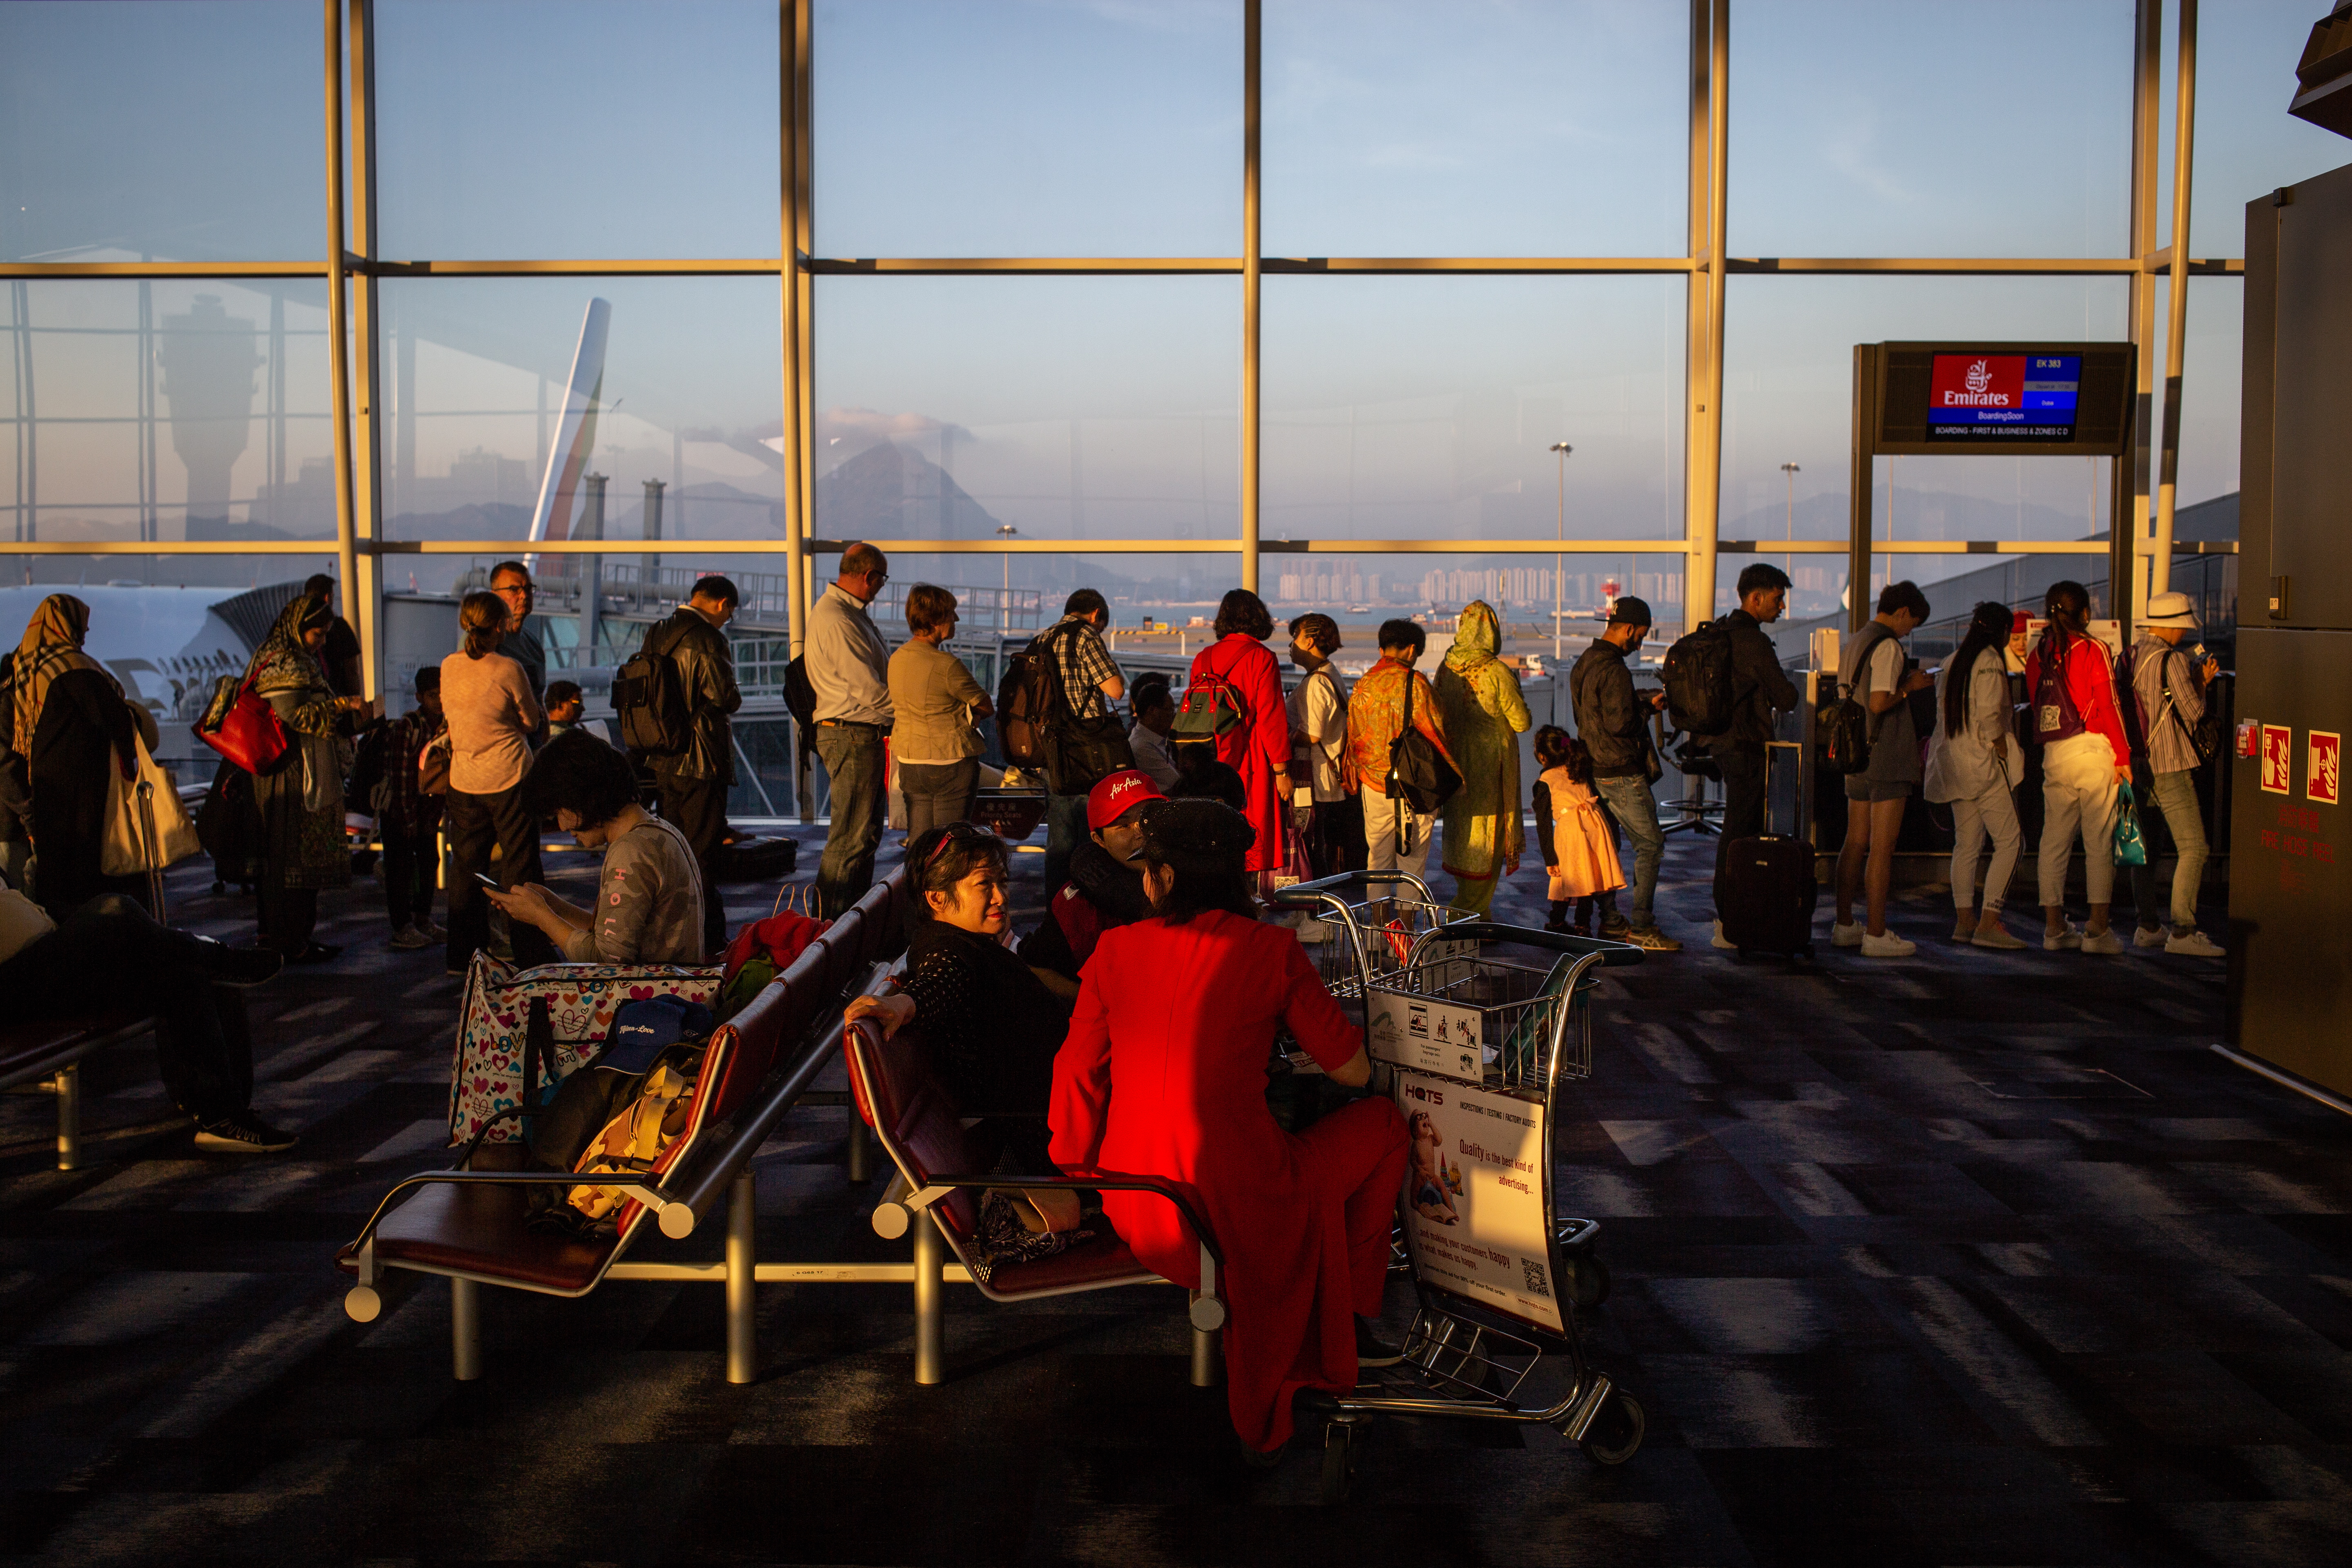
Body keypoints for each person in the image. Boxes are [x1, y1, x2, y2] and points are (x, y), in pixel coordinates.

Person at [1048, 799, 1410, 1458]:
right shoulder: (1269, 951)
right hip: (1237, 1206)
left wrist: (1075, 1176)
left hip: (1137, 1204)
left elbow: (1076, 1074)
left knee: (1302, 1167)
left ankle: (1333, 1293)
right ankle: (1353, 1312)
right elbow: (1355, 1072)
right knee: (1382, 1127)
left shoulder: (1113, 950)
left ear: (1157, 879)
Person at [846, 822, 1074, 1187]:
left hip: (1052, 1117)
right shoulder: (949, 953)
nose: (1000, 897)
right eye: (985, 885)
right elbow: (941, 982)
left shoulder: (965, 942)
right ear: (937, 898)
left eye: (1003, 882)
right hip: (1044, 1138)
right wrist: (905, 1003)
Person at [0, 882, 296, 1151]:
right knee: (114, 908)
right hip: (17, 986)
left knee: (180, 974)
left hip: (49, 960)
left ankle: (221, 1117)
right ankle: (218, 957)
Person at [486, 730, 706, 966]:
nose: (562, 826)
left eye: (561, 811)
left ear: (582, 797)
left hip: (649, 998)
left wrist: (542, 917)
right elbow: (611, 937)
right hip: (672, 991)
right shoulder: (659, 832)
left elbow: (606, 961)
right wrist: (554, 907)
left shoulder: (631, 852)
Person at [10, 595, 157, 919]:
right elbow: (115, 720)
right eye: (82, 626)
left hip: (45, 795)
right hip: (83, 797)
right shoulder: (76, 669)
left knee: (56, 888)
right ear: (67, 626)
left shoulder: (24, 667)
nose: (86, 633)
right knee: (93, 889)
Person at [247, 592, 367, 960]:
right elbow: (294, 715)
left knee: (287, 860)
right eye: (319, 634)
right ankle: (290, 941)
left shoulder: (284, 655)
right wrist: (343, 706)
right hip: (294, 774)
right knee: (291, 858)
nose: (323, 642)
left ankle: (288, 938)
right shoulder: (286, 661)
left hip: (292, 769)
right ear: (299, 628)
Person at [441, 589, 555, 973]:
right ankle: (528, 954)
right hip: (509, 777)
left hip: (464, 780)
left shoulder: (448, 666)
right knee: (520, 867)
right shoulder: (508, 669)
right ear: (499, 627)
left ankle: (462, 957)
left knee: (466, 867)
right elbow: (530, 721)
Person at [2024, 580, 2131, 954]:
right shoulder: (2093, 648)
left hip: (2055, 754)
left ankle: (2055, 929)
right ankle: (2097, 930)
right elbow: (2110, 704)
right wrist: (2124, 756)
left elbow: (2037, 704)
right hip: (2094, 750)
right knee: (2099, 842)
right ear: (2084, 613)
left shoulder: (2039, 652)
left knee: (2054, 842)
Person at [1568, 594, 1679, 950]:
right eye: (1641, 635)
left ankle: (1612, 920)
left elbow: (1597, 715)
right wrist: (1644, 709)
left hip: (1595, 768)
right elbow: (1620, 724)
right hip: (1622, 771)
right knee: (1650, 845)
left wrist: (1641, 700)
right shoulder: (1615, 668)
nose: (1640, 643)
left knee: (1608, 846)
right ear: (1629, 629)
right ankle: (1644, 926)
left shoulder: (1585, 661)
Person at [1831, 580, 1935, 958]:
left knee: (1854, 841)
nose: (1910, 631)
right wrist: (1911, 686)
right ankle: (1876, 932)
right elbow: (1879, 702)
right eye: (1913, 623)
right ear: (1903, 611)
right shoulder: (1889, 645)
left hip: (1856, 754)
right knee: (1882, 848)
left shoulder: (1857, 639)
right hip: (1886, 754)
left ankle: (1845, 924)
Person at [642, 575, 742, 955]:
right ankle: (707, 938)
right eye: (729, 613)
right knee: (702, 851)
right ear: (721, 604)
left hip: (662, 753)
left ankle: (672, 936)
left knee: (673, 850)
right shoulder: (709, 639)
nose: (727, 620)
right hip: (701, 759)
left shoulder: (657, 632)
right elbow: (723, 696)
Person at [1924, 601, 2029, 950]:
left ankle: (1965, 921)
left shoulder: (1954, 661)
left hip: (1953, 764)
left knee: (1966, 845)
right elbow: (1990, 718)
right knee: (2012, 841)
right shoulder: (1990, 662)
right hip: (1984, 764)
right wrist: (2003, 750)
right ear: (2001, 632)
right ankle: (1989, 922)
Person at [1706, 564, 1800, 950]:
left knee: (1735, 831)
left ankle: (1728, 915)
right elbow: (1787, 698)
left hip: (1721, 742)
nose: (1782, 608)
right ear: (1756, 598)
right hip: (1746, 745)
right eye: (1778, 599)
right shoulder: (1753, 642)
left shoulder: (1720, 633)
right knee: (1739, 833)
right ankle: (1729, 920)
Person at [2125, 591, 2224, 957]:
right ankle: (2183, 931)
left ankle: (2147, 925)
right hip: (2169, 764)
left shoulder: (2133, 655)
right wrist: (2201, 682)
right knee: (2194, 848)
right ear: (2176, 626)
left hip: (2137, 763)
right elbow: (2194, 712)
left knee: (2146, 849)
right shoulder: (2173, 660)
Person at [1018, 767, 1162, 995]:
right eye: (1124, 825)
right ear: (1099, 840)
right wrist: (1096, 999)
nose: (1141, 833)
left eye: (1148, 818)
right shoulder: (1079, 904)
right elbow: (1037, 969)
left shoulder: (1201, 876)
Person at [808, 542, 893, 918]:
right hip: (853, 732)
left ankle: (845, 925)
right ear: (869, 577)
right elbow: (867, 688)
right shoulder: (839, 619)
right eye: (881, 581)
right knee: (850, 841)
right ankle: (829, 930)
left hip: (856, 732)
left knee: (862, 837)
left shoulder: (845, 613)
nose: (880, 589)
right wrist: (912, 713)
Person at [1186, 589, 1288, 886]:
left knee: (1211, 838)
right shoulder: (1262, 657)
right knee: (1249, 837)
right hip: (1249, 758)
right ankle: (1246, 909)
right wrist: (1282, 769)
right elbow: (1271, 716)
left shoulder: (1203, 659)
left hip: (1206, 756)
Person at [1344, 619, 1456, 886]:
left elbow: (1354, 738)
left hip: (1373, 785)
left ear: (1382, 650)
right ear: (1412, 650)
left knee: (1378, 860)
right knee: (1412, 863)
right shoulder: (1415, 684)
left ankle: (1375, 925)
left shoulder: (1363, 685)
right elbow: (1437, 731)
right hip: (1412, 784)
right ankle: (1403, 927)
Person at [1433, 601, 1529, 915]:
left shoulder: (1445, 668)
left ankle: (1472, 905)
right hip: (1492, 762)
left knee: (1464, 831)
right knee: (1491, 833)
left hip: (1455, 759)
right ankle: (1469, 910)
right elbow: (1522, 722)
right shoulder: (1496, 671)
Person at [1038, 588, 1129, 893]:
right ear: (1095, 615)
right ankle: (1087, 904)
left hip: (1051, 749)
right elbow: (1116, 690)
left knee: (1059, 838)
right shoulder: (1086, 636)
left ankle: (1058, 909)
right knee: (1090, 834)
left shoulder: (1044, 638)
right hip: (1086, 749)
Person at [889, 584, 992, 838]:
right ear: (935, 620)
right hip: (950, 760)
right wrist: (973, 715)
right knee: (951, 840)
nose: (956, 619)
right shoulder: (947, 665)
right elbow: (985, 705)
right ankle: (946, 879)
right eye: (951, 613)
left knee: (921, 839)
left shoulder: (897, 659)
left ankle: (917, 878)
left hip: (911, 759)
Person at [1285, 614, 1361, 879]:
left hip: (1314, 776)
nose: (1291, 645)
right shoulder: (1329, 674)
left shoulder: (1317, 682)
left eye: (1294, 638)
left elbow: (1313, 734)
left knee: (1309, 843)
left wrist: (1286, 738)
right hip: (1323, 774)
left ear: (1309, 641)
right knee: (1316, 842)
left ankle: (1314, 902)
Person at [1532, 726, 1626, 935]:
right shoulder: (1578, 768)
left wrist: (1550, 858)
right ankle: (1583, 925)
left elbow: (1544, 824)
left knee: (1565, 877)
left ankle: (1556, 922)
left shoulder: (1545, 781)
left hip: (1572, 832)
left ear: (1542, 756)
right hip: (1595, 824)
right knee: (1588, 876)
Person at [380, 666, 448, 952]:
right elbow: (401, 777)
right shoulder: (409, 725)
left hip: (427, 810)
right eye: (433, 695)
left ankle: (422, 919)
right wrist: (407, 818)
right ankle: (402, 926)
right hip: (400, 811)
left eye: (443, 694)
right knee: (401, 868)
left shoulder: (445, 724)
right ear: (420, 696)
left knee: (429, 862)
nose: (440, 700)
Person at [486, 560, 547, 708]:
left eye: (528, 589)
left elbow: (539, 699)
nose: (524, 596)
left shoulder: (533, 645)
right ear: (495, 596)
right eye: (514, 590)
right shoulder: (484, 640)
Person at [304, 572, 363, 699]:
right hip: (340, 702)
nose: (323, 641)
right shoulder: (340, 627)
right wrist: (356, 702)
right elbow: (351, 671)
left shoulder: (301, 630)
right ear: (327, 598)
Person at [1126, 673, 1181, 792]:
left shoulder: (1156, 740)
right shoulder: (1142, 748)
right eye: (1171, 709)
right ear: (1153, 711)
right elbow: (1177, 784)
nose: (1175, 714)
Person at [543, 680, 610, 744]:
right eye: (578, 703)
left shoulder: (571, 730)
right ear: (561, 705)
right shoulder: (559, 738)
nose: (583, 709)